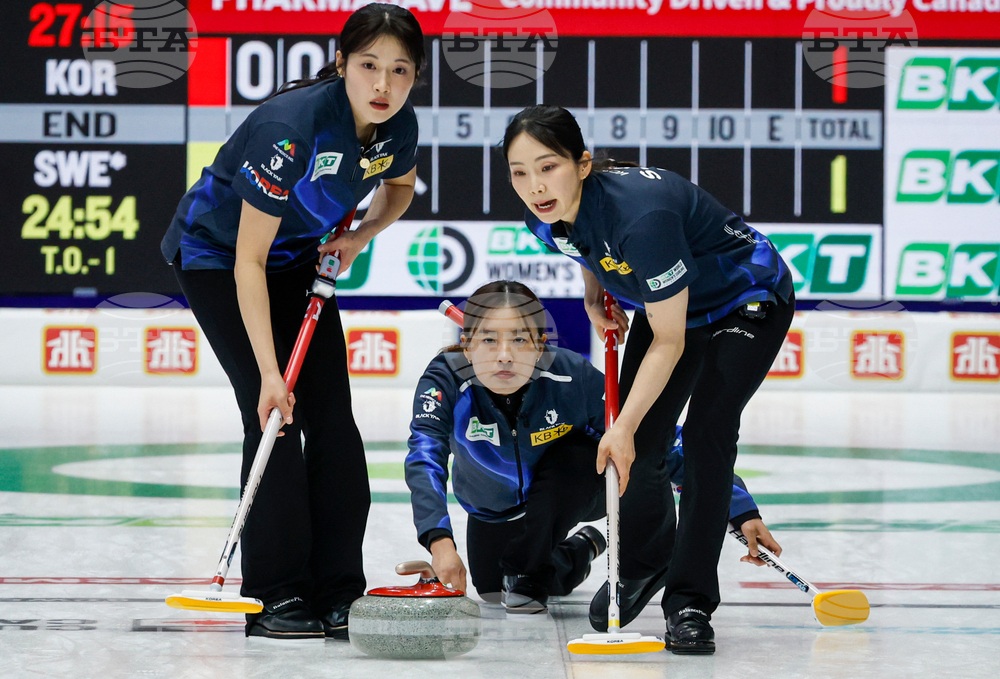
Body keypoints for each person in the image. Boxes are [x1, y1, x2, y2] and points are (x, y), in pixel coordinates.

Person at [159, 4, 423, 640]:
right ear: (341, 63)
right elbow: (248, 260)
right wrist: (270, 375)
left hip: (297, 258)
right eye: (369, 66)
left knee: (333, 419)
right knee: (275, 416)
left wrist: (359, 237)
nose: (383, 85)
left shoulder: (397, 125)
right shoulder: (289, 128)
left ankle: (339, 590)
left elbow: (399, 189)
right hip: (219, 258)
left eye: (400, 70)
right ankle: (276, 593)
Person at [502, 106, 794, 654]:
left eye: (548, 167)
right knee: (641, 442)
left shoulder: (643, 219)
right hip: (672, 308)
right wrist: (594, 294)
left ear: (582, 164)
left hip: (743, 297)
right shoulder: (542, 214)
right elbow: (580, 242)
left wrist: (623, 426)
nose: (535, 186)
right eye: (520, 172)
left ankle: (690, 601)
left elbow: (669, 341)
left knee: (704, 434)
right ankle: (645, 559)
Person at [404, 281, 778, 615]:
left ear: (540, 347)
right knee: (492, 590)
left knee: (572, 465)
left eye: (519, 340)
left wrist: (739, 507)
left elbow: (656, 442)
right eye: (489, 340)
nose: (504, 355)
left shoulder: (571, 376)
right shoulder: (445, 379)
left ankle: (532, 565)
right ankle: (577, 552)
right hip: (494, 508)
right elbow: (425, 456)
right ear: (467, 346)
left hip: (575, 486)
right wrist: (440, 543)